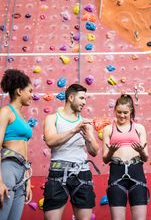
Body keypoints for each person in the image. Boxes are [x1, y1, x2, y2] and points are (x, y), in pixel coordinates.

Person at [43, 83, 99, 220]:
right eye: (82, 98)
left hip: (82, 172)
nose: (84, 102)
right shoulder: (52, 118)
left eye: (85, 99)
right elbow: (50, 141)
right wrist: (74, 130)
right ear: (71, 97)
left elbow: (94, 151)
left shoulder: (85, 123)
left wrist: (89, 138)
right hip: (58, 172)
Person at [102, 94, 149, 220]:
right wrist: (111, 152)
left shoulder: (139, 128)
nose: (122, 115)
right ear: (114, 111)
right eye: (119, 112)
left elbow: (146, 158)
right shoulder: (108, 129)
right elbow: (105, 159)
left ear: (131, 111)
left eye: (125, 112)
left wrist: (141, 151)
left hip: (136, 171)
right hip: (116, 173)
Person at [0, 69, 33, 220]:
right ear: (19, 91)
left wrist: (27, 179)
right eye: (30, 91)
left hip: (22, 172)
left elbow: (24, 148)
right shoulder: (6, 112)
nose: (32, 95)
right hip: (8, 169)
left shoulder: (23, 117)